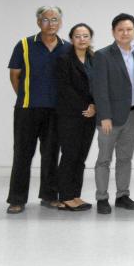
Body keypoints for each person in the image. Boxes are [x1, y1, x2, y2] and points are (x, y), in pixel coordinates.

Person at [7, 6, 68, 214]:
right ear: (38, 22)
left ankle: (49, 196)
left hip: (55, 111)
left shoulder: (67, 48)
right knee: (22, 154)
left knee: (51, 154)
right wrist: (27, 97)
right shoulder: (24, 45)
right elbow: (15, 75)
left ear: (60, 23)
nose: (50, 24)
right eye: (46, 19)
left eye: (55, 19)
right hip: (27, 109)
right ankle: (16, 199)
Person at [90, 13, 134, 215]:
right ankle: (102, 198)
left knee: (125, 158)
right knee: (104, 160)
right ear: (113, 32)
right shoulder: (103, 55)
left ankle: (122, 195)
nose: (125, 33)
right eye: (120, 29)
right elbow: (99, 89)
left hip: (133, 116)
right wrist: (104, 116)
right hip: (109, 118)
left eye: (129, 29)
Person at [54, 23, 97, 212]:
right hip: (70, 115)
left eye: (85, 36)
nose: (82, 39)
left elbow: (99, 85)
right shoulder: (64, 59)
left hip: (90, 115)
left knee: (81, 157)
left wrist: (94, 106)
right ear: (71, 39)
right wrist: (84, 107)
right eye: (78, 36)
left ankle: (75, 195)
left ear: (90, 38)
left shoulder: (94, 59)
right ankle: (65, 197)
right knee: (70, 155)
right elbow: (64, 88)